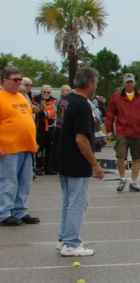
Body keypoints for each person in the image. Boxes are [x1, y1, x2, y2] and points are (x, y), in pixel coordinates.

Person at [55, 67, 105, 256]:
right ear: (90, 83)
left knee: (68, 201)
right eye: (96, 82)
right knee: (77, 203)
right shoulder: (83, 105)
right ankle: (71, 243)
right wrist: (95, 164)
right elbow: (81, 139)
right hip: (76, 161)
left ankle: (64, 238)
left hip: (63, 158)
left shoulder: (64, 100)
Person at [0, 66, 40, 226]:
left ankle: (19, 211)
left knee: (24, 182)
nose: (19, 82)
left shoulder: (21, 97)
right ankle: (3, 212)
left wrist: (33, 140)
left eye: (20, 79)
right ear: (4, 80)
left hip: (26, 147)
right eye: (15, 79)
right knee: (8, 182)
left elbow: (28, 120)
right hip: (9, 148)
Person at [104, 73, 140, 192]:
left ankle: (133, 181)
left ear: (134, 82)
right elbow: (110, 114)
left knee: (137, 158)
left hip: (137, 132)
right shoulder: (116, 96)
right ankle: (122, 178)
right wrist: (109, 130)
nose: (129, 84)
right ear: (123, 83)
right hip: (122, 131)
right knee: (120, 156)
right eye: (127, 82)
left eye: (131, 81)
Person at [33, 85, 57, 175]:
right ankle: (39, 167)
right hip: (38, 127)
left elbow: (51, 113)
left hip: (49, 127)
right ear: (41, 91)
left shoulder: (53, 100)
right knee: (39, 148)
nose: (46, 94)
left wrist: (40, 111)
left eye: (48, 92)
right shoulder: (35, 98)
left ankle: (48, 168)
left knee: (49, 148)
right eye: (44, 92)